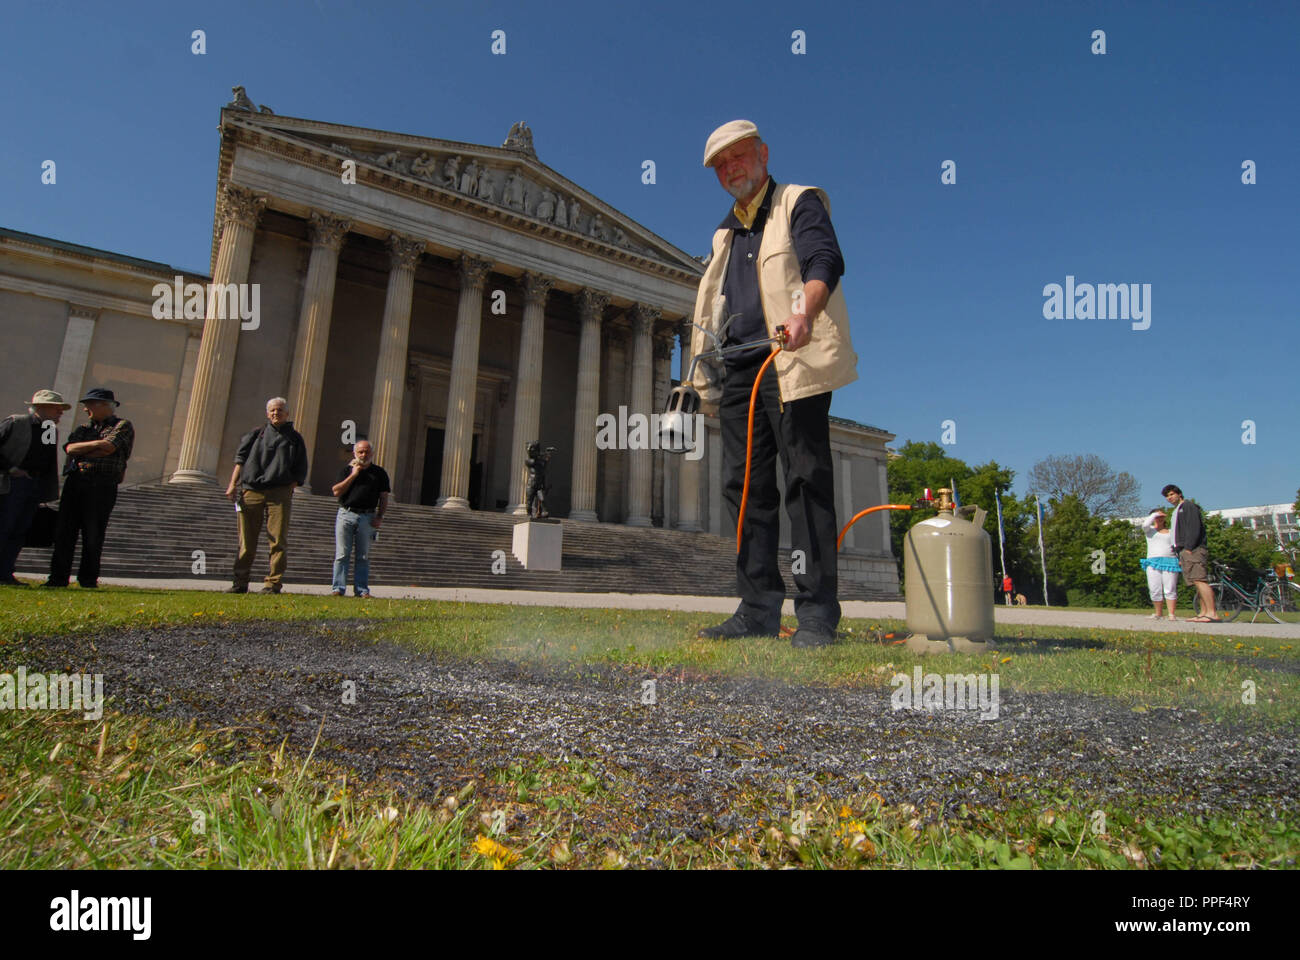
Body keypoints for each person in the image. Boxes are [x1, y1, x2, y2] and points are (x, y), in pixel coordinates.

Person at [690, 120, 858, 648]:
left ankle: (815, 615)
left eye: (738, 157)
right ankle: (757, 607)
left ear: (762, 154)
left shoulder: (797, 202)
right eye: (721, 165)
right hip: (741, 370)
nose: (731, 169)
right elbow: (715, 303)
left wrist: (805, 310)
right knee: (743, 491)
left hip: (791, 362)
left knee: (805, 483)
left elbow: (824, 260)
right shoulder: (724, 233)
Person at [44, 388, 134, 589]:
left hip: (103, 485)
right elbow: (69, 448)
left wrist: (85, 449)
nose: (85, 409)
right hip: (76, 482)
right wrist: (97, 446)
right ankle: (57, 578)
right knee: (64, 532)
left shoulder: (123, 425)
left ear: (103, 405)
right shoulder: (83, 428)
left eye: (89, 405)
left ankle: (88, 579)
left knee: (93, 534)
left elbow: (110, 447)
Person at [226, 397, 307, 594]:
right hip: (251, 490)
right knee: (246, 540)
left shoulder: (295, 439)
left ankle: (273, 583)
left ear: (287, 413)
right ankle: (240, 582)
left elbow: (300, 469)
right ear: (267, 413)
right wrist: (232, 485)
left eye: (279, 410)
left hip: (279, 493)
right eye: (272, 410)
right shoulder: (255, 434)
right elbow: (241, 460)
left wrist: (289, 487)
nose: (275, 413)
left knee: (278, 540)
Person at [0, 390, 72, 584]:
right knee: (5, 526)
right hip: (11, 483)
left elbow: (48, 461)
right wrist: (12, 469)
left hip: (34, 484)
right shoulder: (16, 422)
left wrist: (45, 491)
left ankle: (5, 572)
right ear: (40, 407)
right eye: (56, 408)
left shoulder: (49, 429)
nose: (60, 413)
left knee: (20, 530)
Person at [330, 439, 389, 597]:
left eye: (367, 451)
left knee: (363, 555)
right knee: (342, 554)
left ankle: (362, 590)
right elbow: (336, 491)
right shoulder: (346, 471)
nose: (364, 454)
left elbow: (384, 497)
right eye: (361, 452)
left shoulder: (379, 473)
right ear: (355, 453)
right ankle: (338, 588)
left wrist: (380, 516)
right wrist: (353, 475)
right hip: (346, 514)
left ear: (372, 453)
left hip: (367, 516)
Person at [1162, 483, 1217, 622]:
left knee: (1200, 580)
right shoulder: (1176, 510)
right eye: (1167, 496)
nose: (1170, 498)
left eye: (1172, 494)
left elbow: (1194, 527)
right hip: (1183, 551)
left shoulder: (1188, 506)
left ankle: (1212, 613)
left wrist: (1188, 547)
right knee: (1196, 582)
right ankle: (1203, 613)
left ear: (1179, 494)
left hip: (1194, 549)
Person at [1139, 509, 1180, 620]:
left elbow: (1177, 545)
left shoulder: (1171, 531)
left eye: (1162, 515)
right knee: (1154, 588)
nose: (1160, 518)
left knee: (1170, 588)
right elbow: (1145, 524)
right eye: (1157, 516)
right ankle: (1158, 613)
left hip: (1170, 561)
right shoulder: (1149, 530)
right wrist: (1155, 514)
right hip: (1153, 561)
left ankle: (1171, 614)